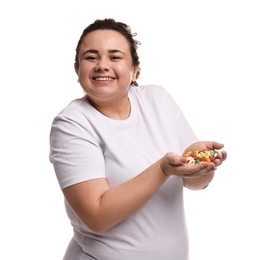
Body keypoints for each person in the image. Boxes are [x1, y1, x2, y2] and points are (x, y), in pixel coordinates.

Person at [49, 18, 227, 260]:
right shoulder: (72, 124)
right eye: (91, 57)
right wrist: (163, 169)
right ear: (77, 69)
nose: (102, 65)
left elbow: (195, 183)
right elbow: (97, 216)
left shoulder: (157, 99)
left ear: (135, 70)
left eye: (115, 57)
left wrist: (203, 167)